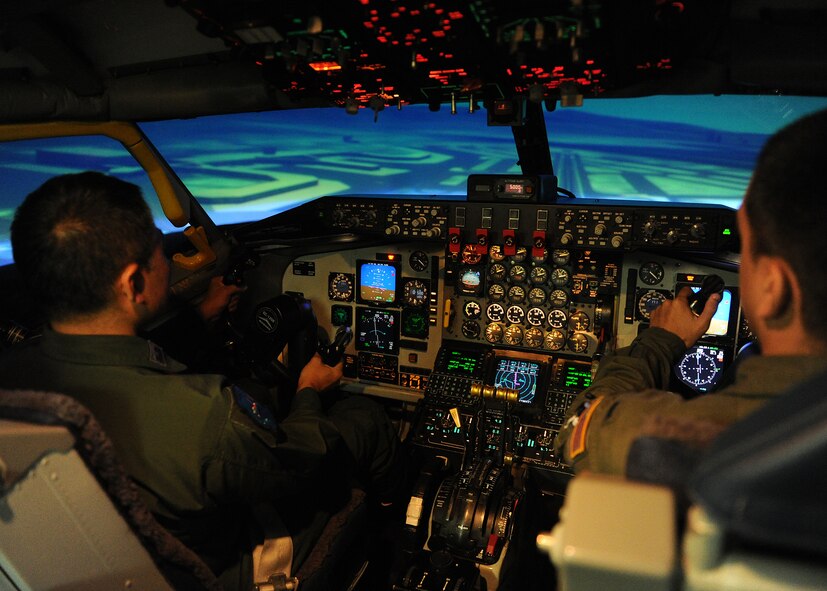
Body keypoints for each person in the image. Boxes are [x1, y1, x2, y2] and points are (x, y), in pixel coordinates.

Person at [0, 171, 400, 589]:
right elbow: (300, 463)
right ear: (134, 282)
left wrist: (201, 315)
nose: (171, 264)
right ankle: (394, 528)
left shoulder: (11, 374)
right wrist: (309, 393)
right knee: (362, 420)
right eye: (162, 253)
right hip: (221, 569)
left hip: (108, 564)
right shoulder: (200, 414)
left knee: (257, 393)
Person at [555, 108, 827, 476]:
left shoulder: (703, 438)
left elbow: (579, 430)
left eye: (744, 248)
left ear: (771, 286)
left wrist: (660, 341)